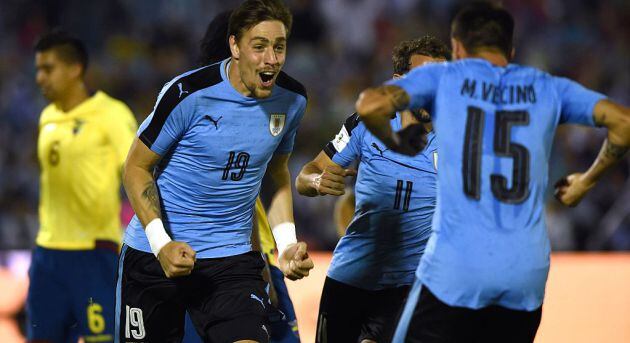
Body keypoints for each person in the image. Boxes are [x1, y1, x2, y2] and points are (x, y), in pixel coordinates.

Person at [355, 3, 630, 342]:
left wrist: (397, 142)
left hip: (454, 271)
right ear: (510, 50)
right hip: (523, 275)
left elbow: (369, 105)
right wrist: (585, 183)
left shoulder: (444, 77)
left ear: (456, 48)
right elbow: (623, 122)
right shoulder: (548, 87)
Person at [118, 0, 314, 342]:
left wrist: (284, 244)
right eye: (259, 47)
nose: (272, 59)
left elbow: (276, 172)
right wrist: (162, 243)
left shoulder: (292, 100)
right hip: (154, 257)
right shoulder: (187, 94)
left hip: (230, 260)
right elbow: (136, 167)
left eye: (279, 47)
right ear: (234, 46)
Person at [296, 36, 450, 343]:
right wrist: (318, 182)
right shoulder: (365, 124)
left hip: (407, 286)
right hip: (350, 277)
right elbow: (305, 176)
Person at [182, 10, 300, 343]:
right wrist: (259, 261)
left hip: (205, 263)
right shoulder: (220, 112)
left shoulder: (189, 108)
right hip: (242, 263)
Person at [30, 30, 137, 343]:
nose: (39, 78)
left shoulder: (111, 114)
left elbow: (136, 173)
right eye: (37, 69)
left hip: (93, 252)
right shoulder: (47, 117)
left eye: (47, 69)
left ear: (75, 69)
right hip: (47, 255)